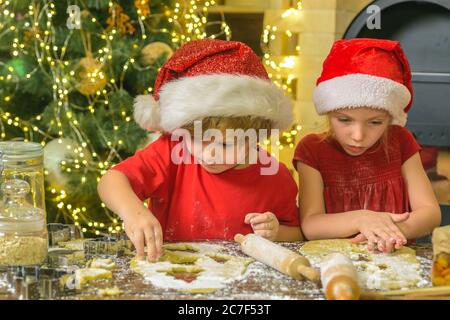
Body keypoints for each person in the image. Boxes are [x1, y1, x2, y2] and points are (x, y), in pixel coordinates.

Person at [98, 39, 302, 262]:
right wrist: (133, 213)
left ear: (257, 136)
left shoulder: (275, 177)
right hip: (171, 279)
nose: (209, 154)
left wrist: (276, 232)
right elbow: (110, 181)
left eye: (226, 144)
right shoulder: (173, 151)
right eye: (196, 139)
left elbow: (297, 234)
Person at [294, 38, 441, 253]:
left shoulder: (400, 142)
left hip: (395, 261)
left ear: (390, 118)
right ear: (328, 112)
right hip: (334, 262)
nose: (358, 135)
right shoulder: (312, 149)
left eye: (375, 122)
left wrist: (391, 232)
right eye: (344, 120)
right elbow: (311, 225)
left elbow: (430, 212)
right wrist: (362, 219)